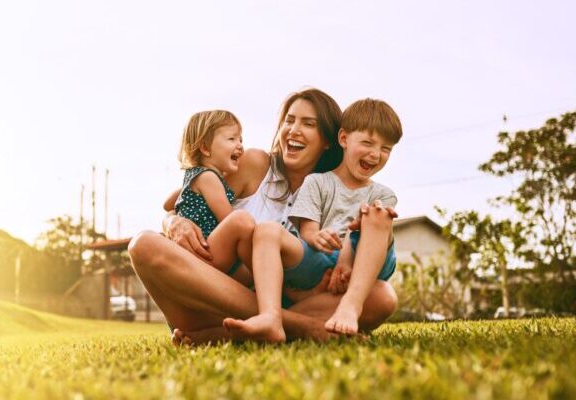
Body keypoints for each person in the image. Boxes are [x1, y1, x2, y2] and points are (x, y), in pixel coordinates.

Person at [128, 88, 399, 344]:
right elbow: (189, 195)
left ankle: (233, 331)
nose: (293, 130)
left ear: (329, 140)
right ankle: (298, 327)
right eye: (289, 120)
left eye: (308, 123)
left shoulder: (335, 190)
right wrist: (174, 222)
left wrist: (344, 266)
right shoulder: (255, 164)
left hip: (291, 301)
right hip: (209, 298)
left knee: (382, 296)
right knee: (143, 244)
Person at [222, 98, 402, 342]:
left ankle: (350, 305)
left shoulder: (383, 194)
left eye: (385, 149)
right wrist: (316, 237)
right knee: (266, 230)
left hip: (365, 262)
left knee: (377, 215)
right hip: (323, 259)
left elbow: (369, 236)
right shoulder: (317, 182)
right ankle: (270, 317)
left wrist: (347, 259)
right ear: (343, 139)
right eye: (368, 143)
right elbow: (307, 230)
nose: (375, 154)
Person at [172, 110, 253, 286]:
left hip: (203, 251)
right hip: (206, 250)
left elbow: (168, 204)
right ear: (206, 148)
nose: (240, 145)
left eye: (241, 140)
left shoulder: (193, 176)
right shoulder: (208, 178)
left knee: (258, 281)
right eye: (232, 139)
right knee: (242, 221)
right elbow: (228, 218)